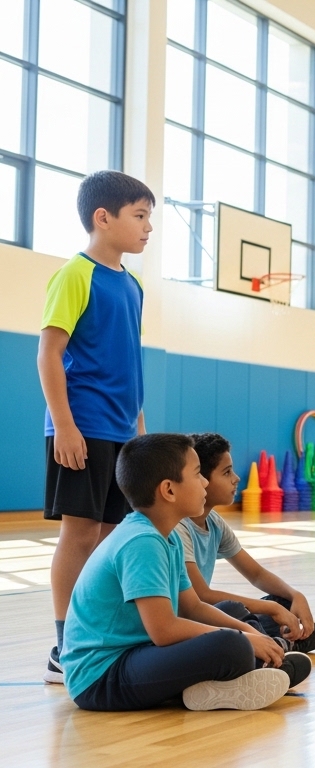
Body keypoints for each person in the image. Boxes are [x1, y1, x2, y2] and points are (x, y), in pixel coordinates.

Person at [62, 434, 310, 711]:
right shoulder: (141, 541)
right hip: (100, 678)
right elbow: (165, 630)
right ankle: (239, 674)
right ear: (169, 490)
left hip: (135, 655)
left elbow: (192, 606)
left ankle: (226, 681)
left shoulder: (168, 537)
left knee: (233, 624)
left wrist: (251, 634)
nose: (204, 481)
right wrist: (243, 639)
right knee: (230, 645)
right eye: (196, 475)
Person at [37, 170, 153, 684]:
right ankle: (65, 647)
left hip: (122, 433)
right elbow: (49, 354)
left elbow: (128, 363)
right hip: (80, 429)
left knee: (110, 538)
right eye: (140, 215)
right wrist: (64, 425)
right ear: (102, 218)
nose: (149, 227)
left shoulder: (133, 284)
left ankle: (95, 636)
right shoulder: (74, 275)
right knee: (79, 535)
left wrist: (140, 433)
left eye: (150, 217)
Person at [178, 433, 315, 653]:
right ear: (201, 478)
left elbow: (256, 574)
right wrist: (269, 608)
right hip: (192, 620)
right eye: (226, 472)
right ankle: (275, 642)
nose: (236, 478)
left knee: (282, 601)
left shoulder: (214, 522)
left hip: (208, 614)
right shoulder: (179, 526)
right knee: (232, 609)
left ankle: (277, 638)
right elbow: (201, 596)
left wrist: (294, 595)